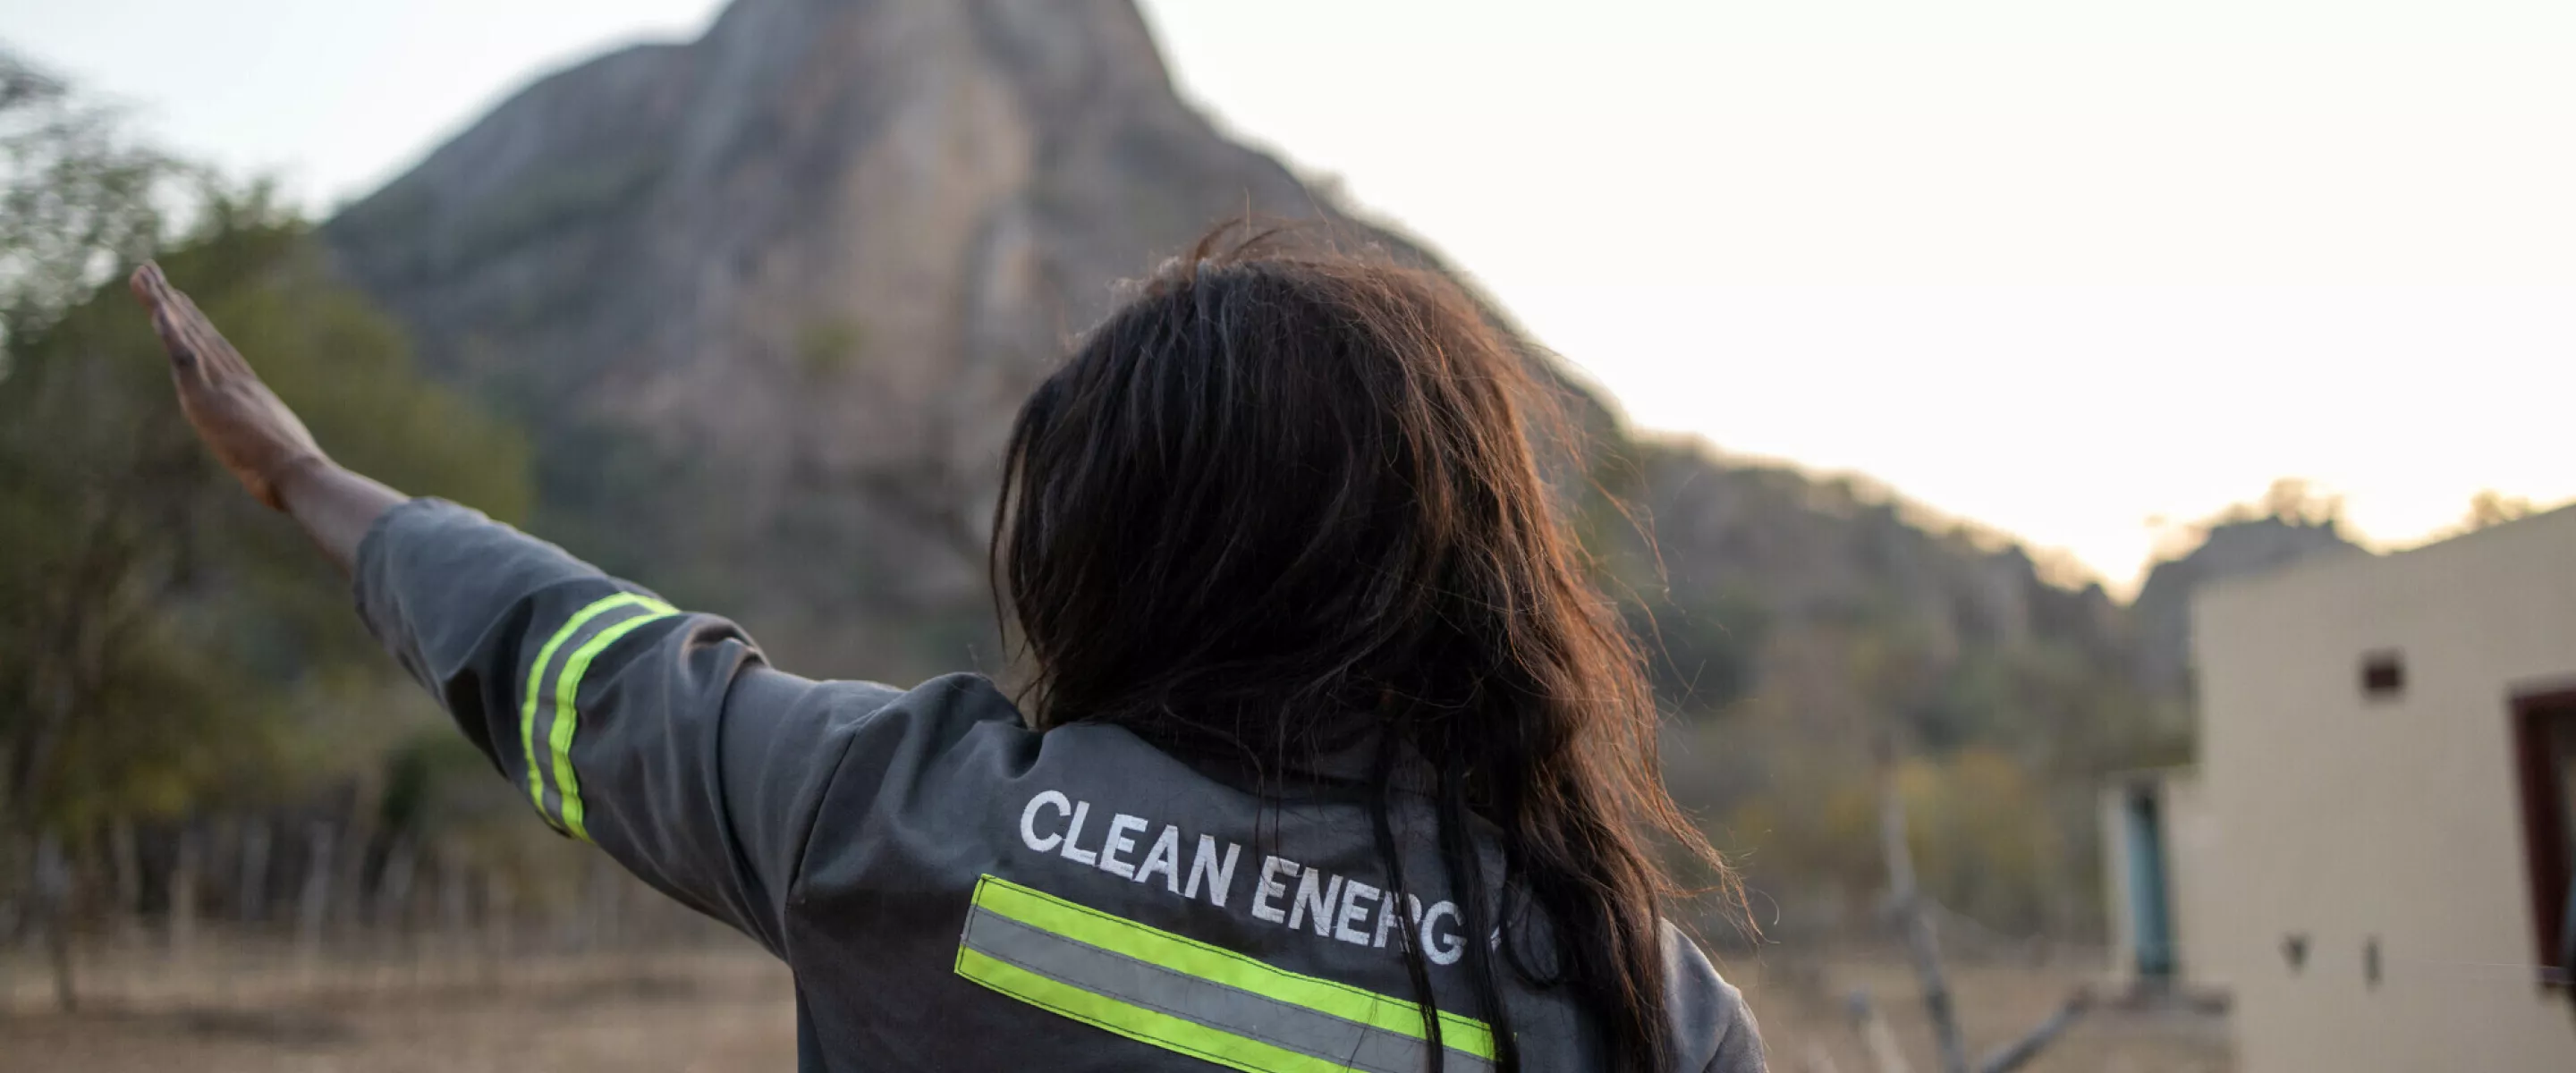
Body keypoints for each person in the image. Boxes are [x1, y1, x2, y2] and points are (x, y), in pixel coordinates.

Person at [130, 225, 1765, 1073]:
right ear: (1469, 571)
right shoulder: (1624, 998)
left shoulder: (907, 827)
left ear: (1105, 553)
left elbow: (586, 665)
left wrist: (309, 480)